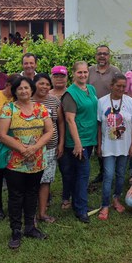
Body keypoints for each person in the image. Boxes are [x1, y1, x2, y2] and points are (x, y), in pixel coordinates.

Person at [0, 76, 53, 249]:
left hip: (37, 159)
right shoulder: (8, 109)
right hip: (15, 161)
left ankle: (30, 227)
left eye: (27, 88)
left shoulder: (41, 108)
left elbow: (49, 130)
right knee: (15, 195)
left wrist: (34, 147)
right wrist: (23, 149)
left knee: (32, 193)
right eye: (19, 88)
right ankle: (15, 230)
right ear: (14, 91)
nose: (23, 91)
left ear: (32, 89)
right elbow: (2, 134)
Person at [61, 61, 99, 223]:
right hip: (78, 141)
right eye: (79, 73)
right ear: (73, 73)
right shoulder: (70, 94)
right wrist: (77, 143)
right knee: (83, 174)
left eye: (85, 72)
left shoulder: (91, 89)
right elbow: (70, 120)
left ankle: (78, 203)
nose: (83, 75)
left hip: (89, 138)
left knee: (79, 174)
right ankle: (81, 210)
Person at [97, 74, 132, 220]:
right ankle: (105, 204)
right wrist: (99, 145)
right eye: (118, 86)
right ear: (111, 86)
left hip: (124, 146)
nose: (121, 89)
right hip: (108, 146)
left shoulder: (130, 101)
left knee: (121, 175)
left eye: (123, 86)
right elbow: (99, 125)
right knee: (108, 175)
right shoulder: (101, 102)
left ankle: (116, 198)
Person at [34, 72, 64, 224]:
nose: (45, 87)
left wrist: (61, 143)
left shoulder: (54, 101)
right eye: (41, 83)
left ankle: (42, 212)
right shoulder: (28, 99)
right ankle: (30, 212)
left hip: (51, 147)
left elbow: (60, 123)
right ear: (34, 84)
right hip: (31, 149)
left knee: (46, 180)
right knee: (31, 181)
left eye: (47, 84)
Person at [0, 74, 20, 220]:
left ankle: (13, 205)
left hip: (15, 139)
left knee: (14, 174)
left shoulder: (17, 98)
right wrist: (6, 115)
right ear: (7, 84)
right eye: (13, 88)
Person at [88, 44, 120, 183]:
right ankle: (102, 172)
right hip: (91, 112)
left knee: (110, 140)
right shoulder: (89, 70)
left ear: (109, 56)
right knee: (97, 143)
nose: (102, 56)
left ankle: (113, 171)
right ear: (96, 56)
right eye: (99, 53)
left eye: (105, 53)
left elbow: (120, 89)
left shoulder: (115, 71)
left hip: (110, 112)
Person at [50, 66, 74, 211]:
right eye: (56, 76)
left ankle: (66, 197)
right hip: (49, 137)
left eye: (62, 76)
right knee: (46, 169)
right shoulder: (45, 93)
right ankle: (45, 197)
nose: (59, 78)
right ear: (52, 77)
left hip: (68, 136)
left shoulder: (71, 93)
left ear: (67, 78)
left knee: (66, 169)